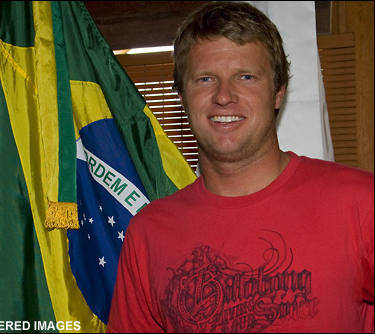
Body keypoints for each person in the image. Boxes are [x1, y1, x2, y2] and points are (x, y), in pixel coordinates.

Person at [106, 2, 374, 333]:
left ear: (278, 92)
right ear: (181, 95)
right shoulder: (147, 233)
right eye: (204, 79)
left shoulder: (360, 204)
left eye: (245, 76)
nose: (223, 96)